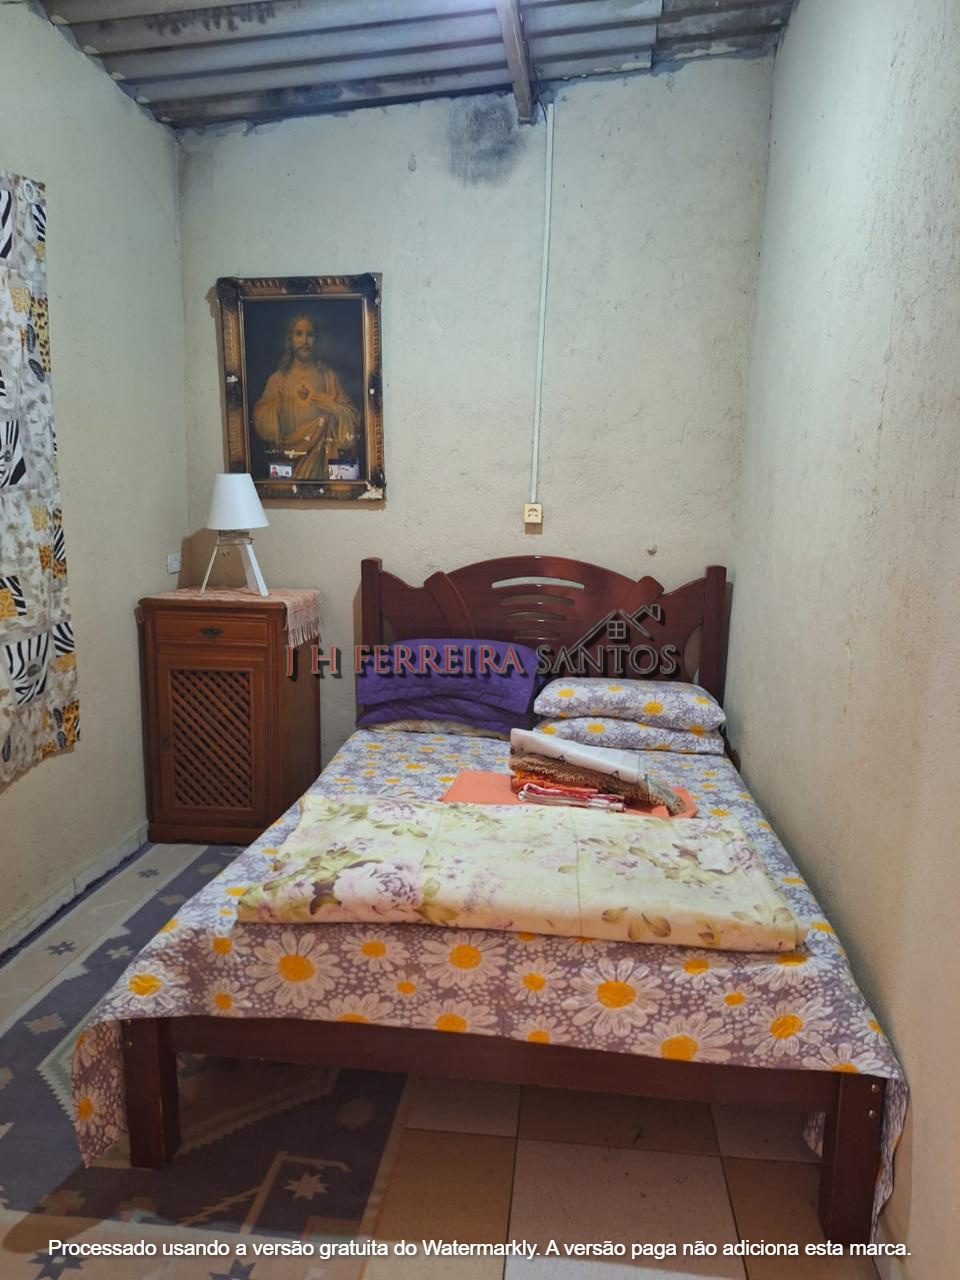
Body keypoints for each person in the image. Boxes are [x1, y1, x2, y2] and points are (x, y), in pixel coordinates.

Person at [252, 314, 360, 481]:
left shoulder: (329, 378)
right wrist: (277, 407)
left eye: (310, 335)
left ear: (316, 340)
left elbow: (353, 417)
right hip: (287, 464)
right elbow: (261, 420)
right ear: (290, 339)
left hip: (323, 462)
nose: (304, 341)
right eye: (299, 334)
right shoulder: (277, 380)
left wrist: (333, 408)